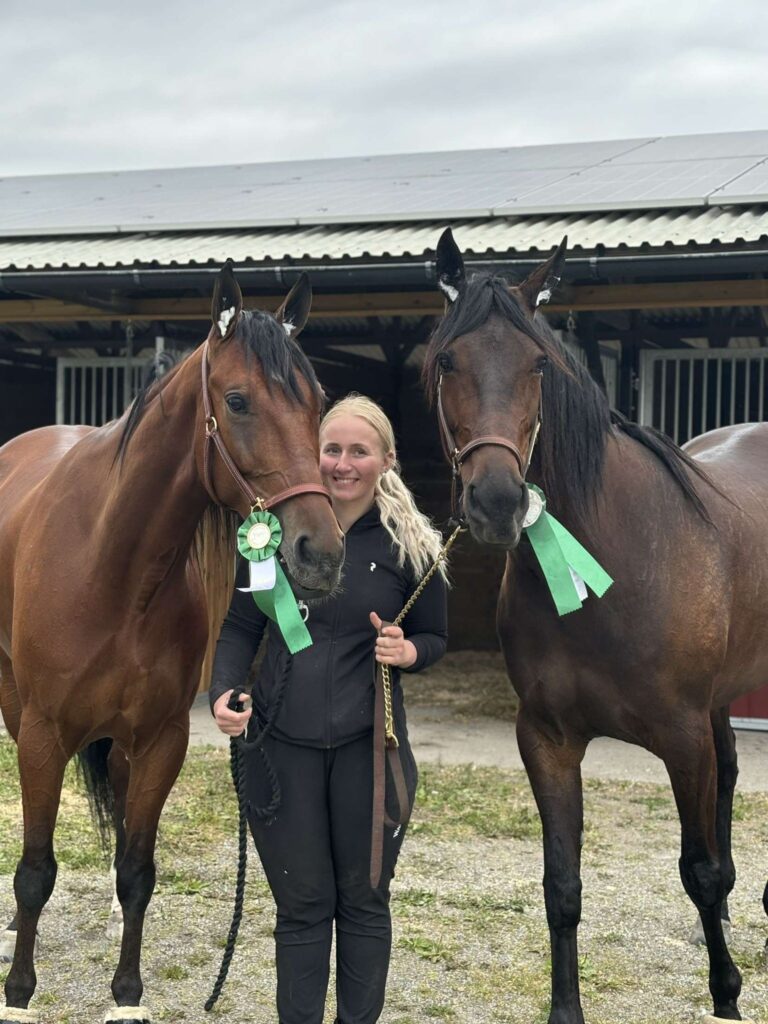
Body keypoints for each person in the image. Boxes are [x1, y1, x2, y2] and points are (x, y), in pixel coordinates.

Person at [210, 394, 449, 1024]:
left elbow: (437, 637)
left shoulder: (410, 545)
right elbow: (239, 628)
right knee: (303, 905)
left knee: (364, 901)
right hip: (280, 747)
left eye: (358, 451)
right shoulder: (275, 534)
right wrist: (224, 691)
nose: (342, 464)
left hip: (368, 750)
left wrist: (409, 651)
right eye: (332, 449)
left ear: (386, 460)